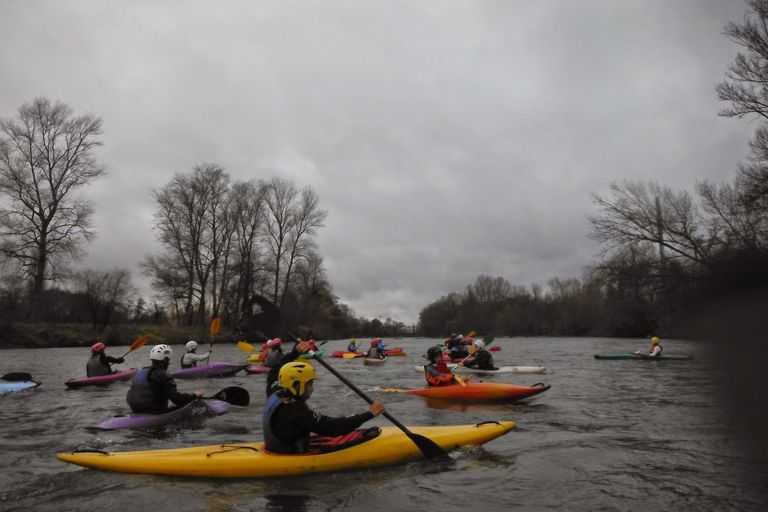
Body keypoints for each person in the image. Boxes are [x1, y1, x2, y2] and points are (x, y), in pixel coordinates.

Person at [261, 361, 385, 454]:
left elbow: (272, 373)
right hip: (291, 454)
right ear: (296, 385)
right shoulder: (297, 411)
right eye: (309, 384)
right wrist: (370, 414)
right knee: (367, 434)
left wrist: (296, 352)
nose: (312, 389)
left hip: (275, 446)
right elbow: (334, 427)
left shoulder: (274, 392)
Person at [126, 344, 202, 414]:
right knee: (190, 403)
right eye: (169, 360)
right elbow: (177, 399)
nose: (169, 363)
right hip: (155, 412)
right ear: (165, 360)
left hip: (136, 411)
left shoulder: (140, 372)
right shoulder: (163, 375)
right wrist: (194, 395)